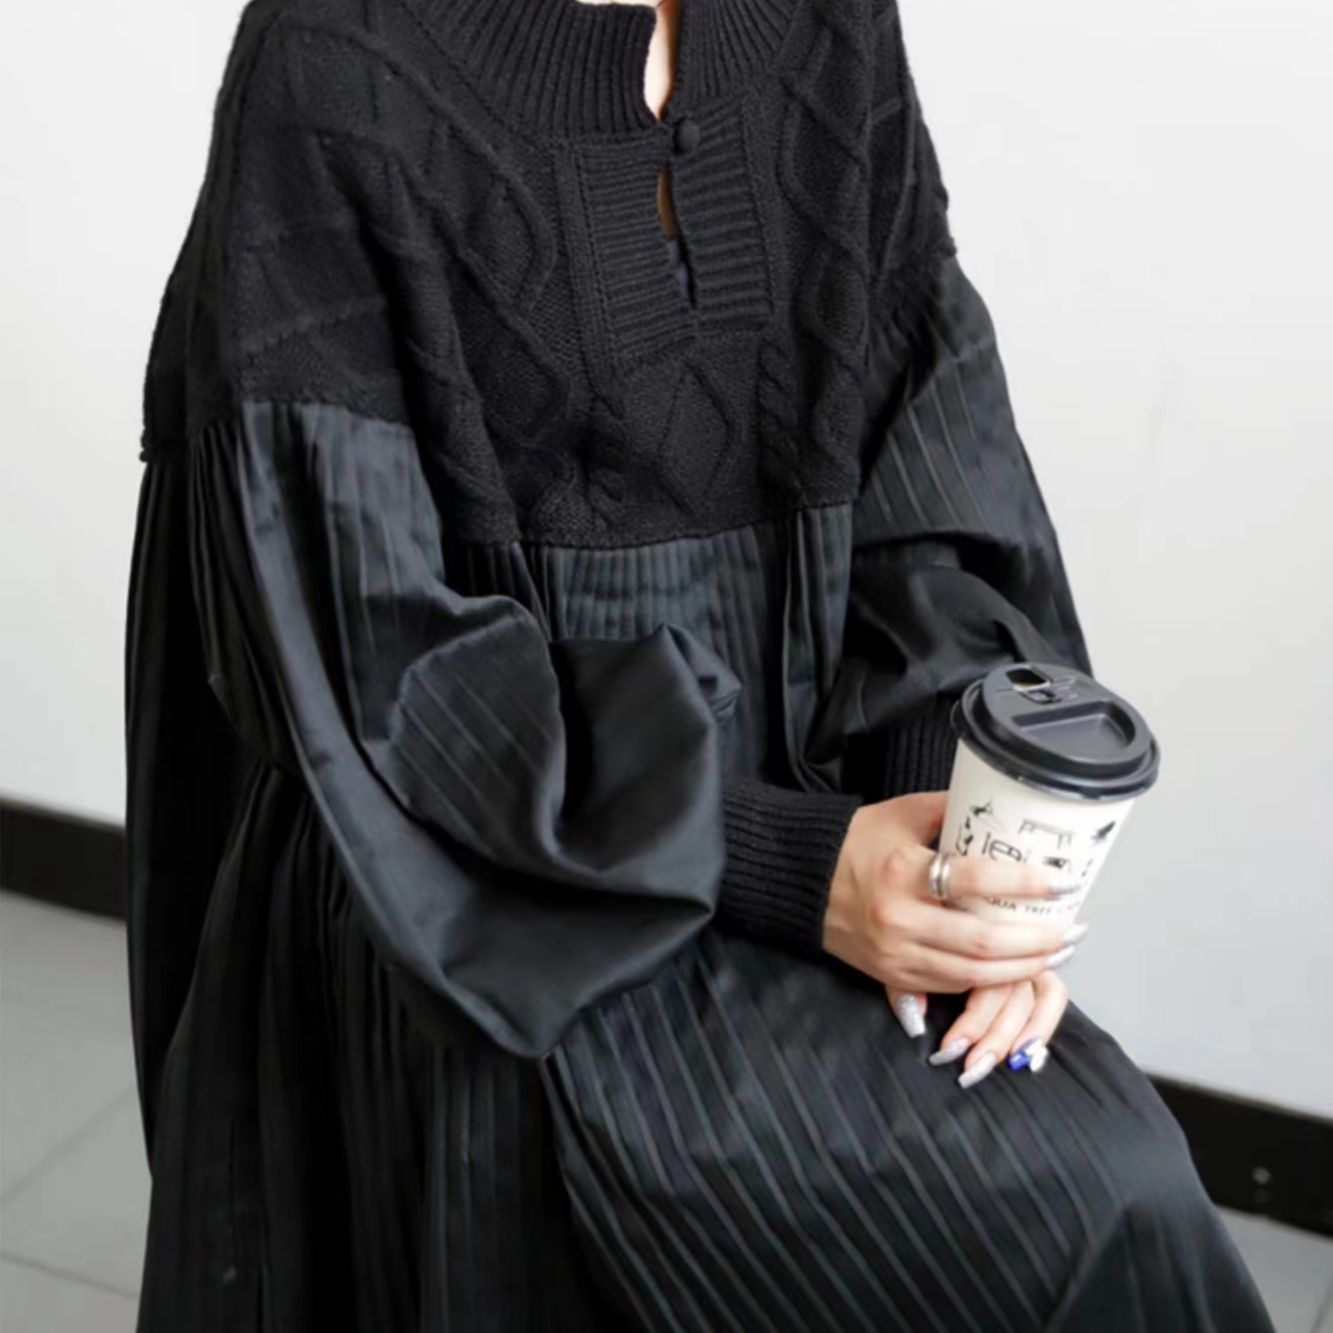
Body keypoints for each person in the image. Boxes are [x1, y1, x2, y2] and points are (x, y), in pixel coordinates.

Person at [123, 0, 1276, 1327]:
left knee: (1120, 1194)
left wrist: (954, 868)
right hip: (476, 876)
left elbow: (929, 468)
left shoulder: (828, 21)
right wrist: (794, 864)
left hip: (824, 807)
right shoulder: (334, 53)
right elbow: (373, 650)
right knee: (1087, 1204)